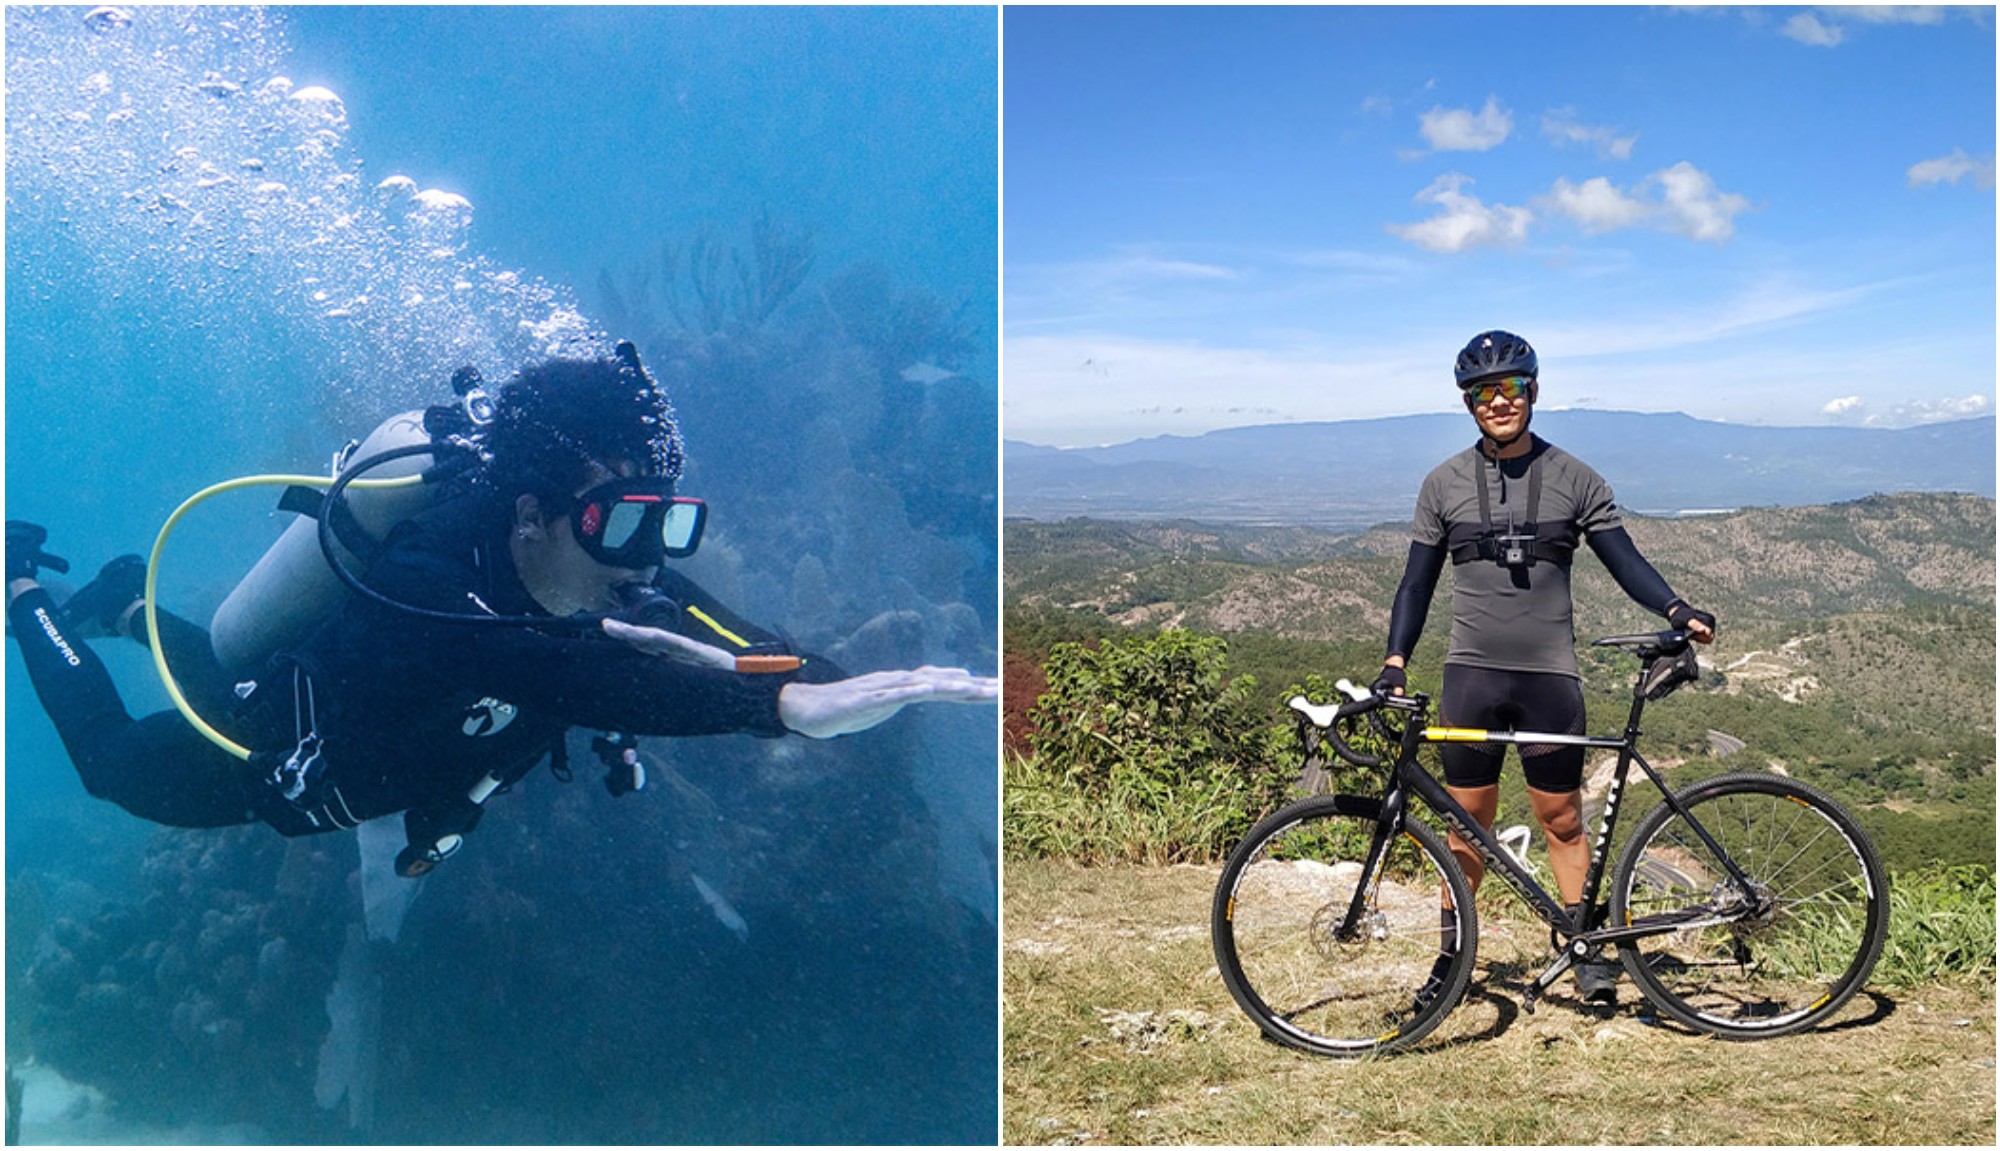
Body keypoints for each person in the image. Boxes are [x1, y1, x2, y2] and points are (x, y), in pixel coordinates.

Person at [7, 345, 996, 876]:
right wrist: (771, 708)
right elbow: (550, 670)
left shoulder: (601, 560)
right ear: (530, 514)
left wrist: (819, 678)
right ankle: (21, 592)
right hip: (272, 745)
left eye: (666, 521)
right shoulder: (430, 584)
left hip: (395, 751)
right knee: (113, 767)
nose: (644, 559)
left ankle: (133, 604)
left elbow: (716, 633)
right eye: (619, 524)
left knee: (215, 665)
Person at [1373, 329, 1715, 1004]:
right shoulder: (1442, 484)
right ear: (1469, 403)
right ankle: (1452, 962)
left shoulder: (1576, 478)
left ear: (1533, 391)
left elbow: (1623, 558)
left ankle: (1584, 950)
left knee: (1562, 819)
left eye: (1512, 387)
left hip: (1549, 679)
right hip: (1470, 677)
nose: (1499, 401)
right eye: (1483, 392)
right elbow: (1415, 584)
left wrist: (1675, 608)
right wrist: (1394, 660)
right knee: (1466, 828)